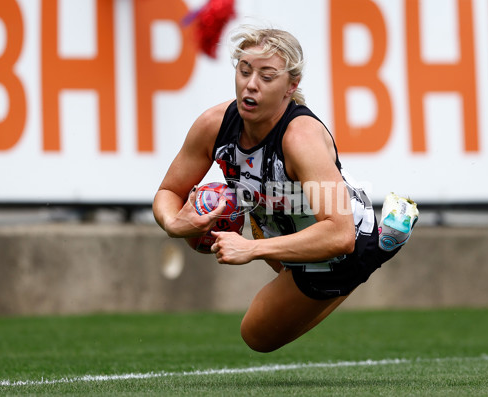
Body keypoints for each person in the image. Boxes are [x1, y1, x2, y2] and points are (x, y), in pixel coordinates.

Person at [153, 26, 418, 353]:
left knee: (257, 335)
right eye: (245, 70)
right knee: (266, 220)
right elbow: (167, 192)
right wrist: (173, 224)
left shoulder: (300, 138)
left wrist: (250, 249)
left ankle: (376, 249)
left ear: (291, 86)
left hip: (339, 241)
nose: (251, 84)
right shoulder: (213, 124)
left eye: (267, 76)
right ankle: (369, 252)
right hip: (281, 223)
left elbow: (339, 234)